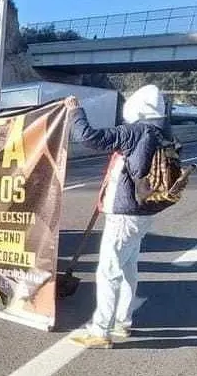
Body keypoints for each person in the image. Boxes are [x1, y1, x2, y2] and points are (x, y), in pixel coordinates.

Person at [66, 85, 171, 349]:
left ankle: (101, 330)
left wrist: (75, 111)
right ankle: (122, 322)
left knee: (108, 271)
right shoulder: (161, 134)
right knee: (127, 268)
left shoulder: (135, 132)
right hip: (145, 211)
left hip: (125, 214)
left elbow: (88, 137)